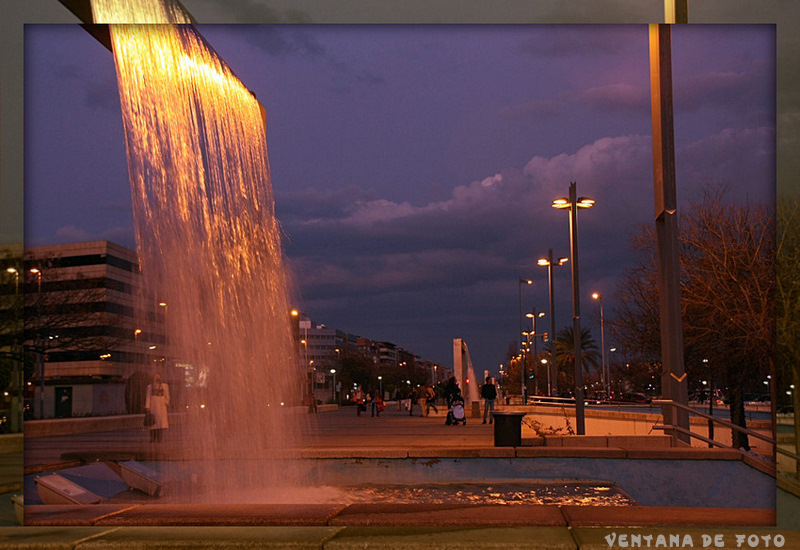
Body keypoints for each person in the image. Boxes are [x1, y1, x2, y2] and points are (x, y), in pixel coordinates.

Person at [145, 373, 170, 443]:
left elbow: (167, 396)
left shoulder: (164, 386)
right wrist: (147, 406)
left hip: (161, 406)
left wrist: (165, 403)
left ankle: (159, 438)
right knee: (153, 424)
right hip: (153, 406)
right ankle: (152, 437)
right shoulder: (150, 387)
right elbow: (148, 397)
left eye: (158, 375)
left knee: (160, 424)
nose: (157, 377)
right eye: (155, 375)